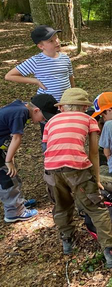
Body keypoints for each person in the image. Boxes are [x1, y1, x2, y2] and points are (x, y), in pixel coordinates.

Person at [42, 88, 112, 267]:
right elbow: (93, 152)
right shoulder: (89, 119)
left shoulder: (51, 121)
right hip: (77, 168)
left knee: (61, 206)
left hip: (51, 169)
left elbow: (48, 148)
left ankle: (67, 241)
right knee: (95, 208)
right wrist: (96, 178)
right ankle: (110, 251)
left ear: (62, 107)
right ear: (85, 107)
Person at [0, 94, 57, 222]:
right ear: (36, 110)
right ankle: (14, 212)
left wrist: (9, 158)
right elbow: (16, 138)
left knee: (12, 177)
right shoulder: (20, 113)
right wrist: (8, 161)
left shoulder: (21, 108)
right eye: (43, 118)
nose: (42, 121)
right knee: (7, 180)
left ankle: (18, 203)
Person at [5, 25, 75, 102]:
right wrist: (35, 81)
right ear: (41, 46)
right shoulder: (36, 61)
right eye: (51, 41)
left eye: (57, 38)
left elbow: (70, 77)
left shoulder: (65, 58)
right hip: (46, 105)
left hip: (66, 102)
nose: (57, 42)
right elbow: (9, 76)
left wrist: (73, 94)